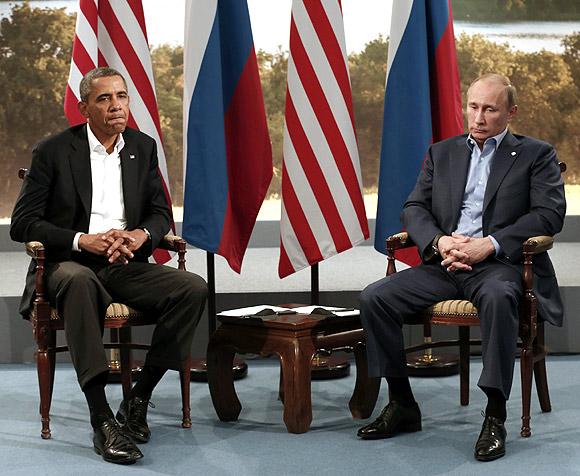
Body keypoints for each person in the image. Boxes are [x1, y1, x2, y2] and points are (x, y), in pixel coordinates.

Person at [357, 73, 566, 461]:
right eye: (473, 106)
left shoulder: (536, 154)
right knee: (375, 298)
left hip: (499, 264)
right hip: (445, 262)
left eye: (490, 109)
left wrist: (489, 244)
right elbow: (415, 208)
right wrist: (441, 242)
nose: (479, 117)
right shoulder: (443, 152)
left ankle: (495, 414)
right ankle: (403, 403)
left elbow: (549, 215)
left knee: (501, 298)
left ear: (511, 112)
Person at [10, 67, 208, 465]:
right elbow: (22, 223)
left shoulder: (142, 146)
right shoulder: (52, 151)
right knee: (80, 281)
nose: (116, 105)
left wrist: (138, 237)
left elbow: (159, 214)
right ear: (84, 107)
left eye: (121, 96)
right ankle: (101, 418)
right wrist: (82, 239)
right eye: (104, 98)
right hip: (69, 263)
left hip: (124, 262)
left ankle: (139, 397)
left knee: (192, 288)